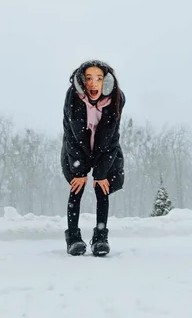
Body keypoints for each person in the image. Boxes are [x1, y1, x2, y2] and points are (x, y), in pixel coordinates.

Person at [60, 59, 126, 256]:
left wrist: (101, 172)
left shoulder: (115, 99)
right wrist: (79, 170)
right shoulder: (72, 97)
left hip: (104, 150)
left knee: (102, 187)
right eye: (88, 78)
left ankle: (100, 238)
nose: (93, 83)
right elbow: (71, 135)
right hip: (77, 149)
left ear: (105, 82)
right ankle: (73, 238)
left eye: (98, 78)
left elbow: (112, 137)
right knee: (76, 188)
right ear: (82, 81)